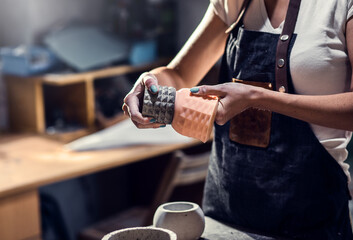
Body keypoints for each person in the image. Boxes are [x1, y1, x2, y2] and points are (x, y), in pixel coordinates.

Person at [123, 0, 353, 238]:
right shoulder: (233, 3)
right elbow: (180, 75)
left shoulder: (341, 6)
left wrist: (257, 97)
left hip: (311, 219)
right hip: (225, 215)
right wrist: (150, 82)